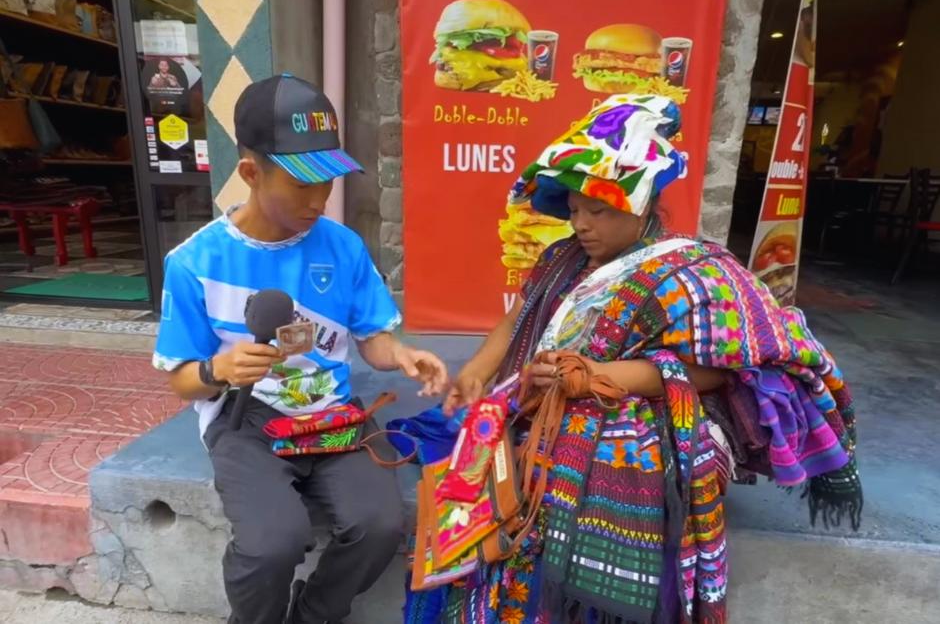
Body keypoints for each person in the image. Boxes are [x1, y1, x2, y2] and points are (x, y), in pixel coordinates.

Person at [408, 95, 861, 623]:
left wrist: (596, 376)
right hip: (551, 395)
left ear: (640, 205)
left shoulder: (696, 271)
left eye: (597, 210)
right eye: (574, 209)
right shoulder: (561, 259)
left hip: (657, 403)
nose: (582, 224)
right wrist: (478, 371)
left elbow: (718, 369)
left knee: (586, 473)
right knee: (482, 458)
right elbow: (518, 320)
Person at [153, 74, 449, 624]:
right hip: (246, 421)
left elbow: (373, 338)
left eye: (328, 181)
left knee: (380, 524)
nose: (319, 199)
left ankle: (312, 615)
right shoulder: (195, 262)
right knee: (272, 544)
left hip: (333, 415)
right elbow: (181, 380)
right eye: (301, 183)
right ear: (250, 173)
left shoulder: (342, 246)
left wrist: (401, 355)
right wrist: (219, 369)